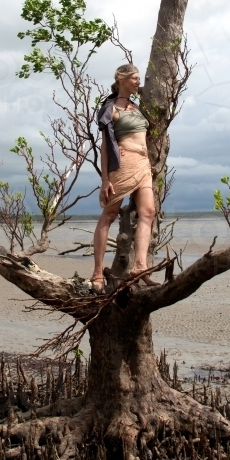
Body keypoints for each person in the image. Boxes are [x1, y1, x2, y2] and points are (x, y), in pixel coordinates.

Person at [91, 63, 156, 292]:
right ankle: (97, 272)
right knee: (109, 214)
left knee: (148, 212)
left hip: (143, 164)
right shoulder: (111, 108)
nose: (138, 82)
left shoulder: (136, 107)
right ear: (121, 78)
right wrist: (105, 180)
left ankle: (139, 266)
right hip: (124, 164)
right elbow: (106, 147)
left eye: (139, 78)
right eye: (135, 78)